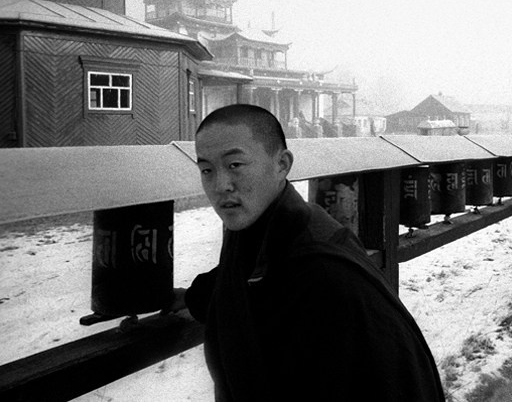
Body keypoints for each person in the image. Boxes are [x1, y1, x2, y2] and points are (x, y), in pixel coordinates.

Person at [167, 104, 444, 401]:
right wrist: (191, 296)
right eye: (207, 170)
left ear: (282, 165)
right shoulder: (261, 231)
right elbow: (242, 284)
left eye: (235, 165)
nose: (220, 185)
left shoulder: (321, 272)